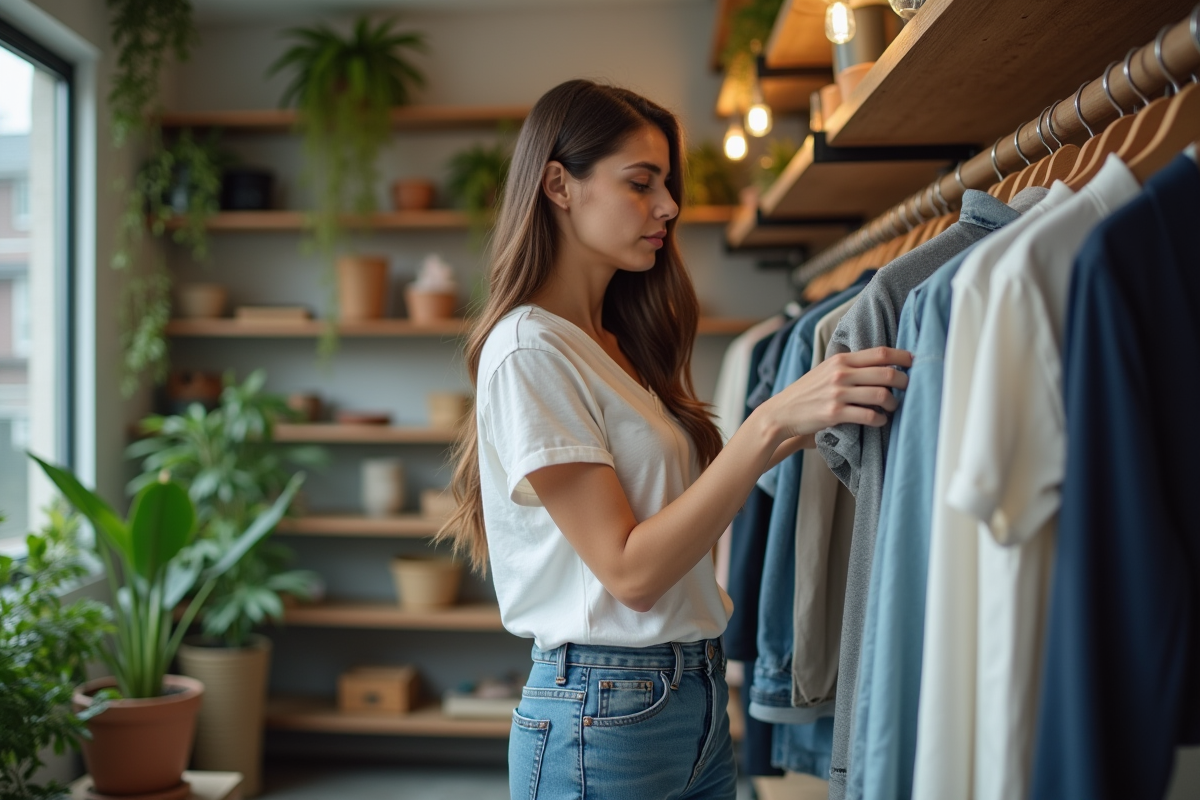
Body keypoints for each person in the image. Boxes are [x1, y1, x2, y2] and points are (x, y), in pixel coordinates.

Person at [441, 79, 911, 799]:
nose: (668, 206)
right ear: (559, 186)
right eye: (640, 182)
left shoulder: (612, 343)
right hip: (605, 708)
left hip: (682, 694)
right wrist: (771, 423)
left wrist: (808, 423)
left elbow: (679, 519)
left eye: (667, 183)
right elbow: (630, 572)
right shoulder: (530, 350)